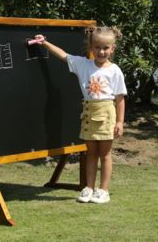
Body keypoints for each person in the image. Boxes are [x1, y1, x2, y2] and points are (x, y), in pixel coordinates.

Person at [35, 26, 127, 203]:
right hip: (88, 113)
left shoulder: (114, 70)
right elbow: (62, 55)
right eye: (97, 47)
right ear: (91, 47)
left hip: (107, 113)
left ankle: (103, 190)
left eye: (106, 48)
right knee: (91, 154)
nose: (101, 52)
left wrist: (120, 122)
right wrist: (44, 42)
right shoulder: (82, 64)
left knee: (105, 154)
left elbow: (120, 98)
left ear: (113, 49)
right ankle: (89, 188)